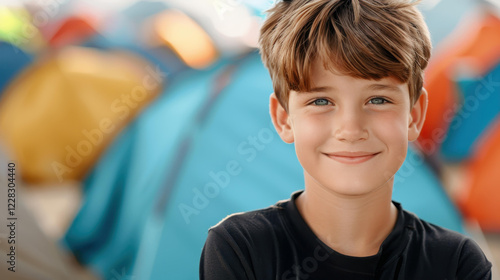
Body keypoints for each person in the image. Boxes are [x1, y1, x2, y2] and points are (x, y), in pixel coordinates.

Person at [199, 0, 493, 279]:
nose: (351, 129)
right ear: (283, 118)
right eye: (321, 101)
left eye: (377, 99)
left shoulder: (456, 262)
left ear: (414, 116)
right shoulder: (241, 249)